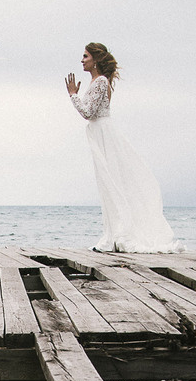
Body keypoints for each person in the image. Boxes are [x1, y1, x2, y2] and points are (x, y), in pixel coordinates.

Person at [65, 42, 181, 253]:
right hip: (99, 133)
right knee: (107, 185)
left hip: (103, 134)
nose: (82, 60)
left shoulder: (100, 81)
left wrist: (73, 95)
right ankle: (113, 234)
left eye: (85, 56)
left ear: (96, 59)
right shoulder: (98, 81)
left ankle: (120, 234)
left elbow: (88, 112)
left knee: (112, 184)